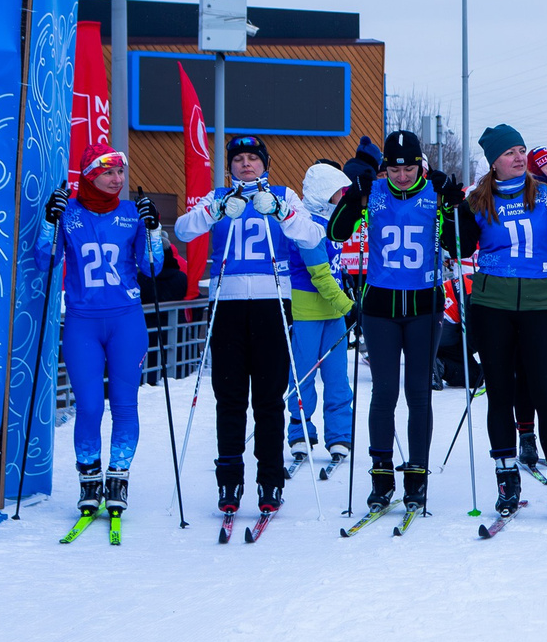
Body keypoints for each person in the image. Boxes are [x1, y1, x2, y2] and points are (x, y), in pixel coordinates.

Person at [175, 135, 328, 522]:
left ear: (265, 163)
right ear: (230, 166)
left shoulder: (284, 194)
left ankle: (270, 480)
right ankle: (229, 480)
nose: (246, 165)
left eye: (252, 159)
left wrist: (279, 211)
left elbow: (313, 236)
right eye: (239, 159)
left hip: (271, 304)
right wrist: (214, 211)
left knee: (268, 399)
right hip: (227, 304)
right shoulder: (220, 197)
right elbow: (182, 229)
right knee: (229, 397)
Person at [326, 128, 462, 518]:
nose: (402, 175)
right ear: (386, 167)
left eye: (410, 167)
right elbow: (337, 232)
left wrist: (453, 205)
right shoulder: (374, 193)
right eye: (395, 168)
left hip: (423, 305)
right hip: (380, 307)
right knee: (384, 393)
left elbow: (461, 243)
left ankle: (417, 477)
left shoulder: (434, 193)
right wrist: (353, 196)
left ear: (421, 164)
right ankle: (381, 477)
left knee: (419, 393)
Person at [458, 126, 547, 520]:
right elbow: (460, 246)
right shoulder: (477, 198)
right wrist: (450, 212)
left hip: (539, 302)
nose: (518, 157)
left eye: (521, 150)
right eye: (510, 152)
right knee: (500, 392)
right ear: (494, 161)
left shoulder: (545, 194)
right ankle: (506, 476)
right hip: (491, 303)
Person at [43, 148, 165, 527]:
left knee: (125, 405)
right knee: (91, 406)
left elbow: (153, 267)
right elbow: (44, 260)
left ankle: (118, 478)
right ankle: (89, 479)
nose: (117, 179)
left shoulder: (130, 213)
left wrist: (154, 229)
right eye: (108, 172)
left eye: (120, 172)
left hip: (126, 320)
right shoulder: (70, 213)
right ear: (90, 175)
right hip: (83, 321)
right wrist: (50, 222)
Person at [286, 162, 358, 477]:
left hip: (333, 313)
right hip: (308, 312)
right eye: (338, 194)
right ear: (321, 196)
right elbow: (319, 275)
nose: (343, 199)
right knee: (303, 378)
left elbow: (336, 269)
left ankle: (340, 435)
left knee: (337, 377)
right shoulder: (307, 225)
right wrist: (349, 307)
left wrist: (350, 295)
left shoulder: (334, 226)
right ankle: (300, 432)